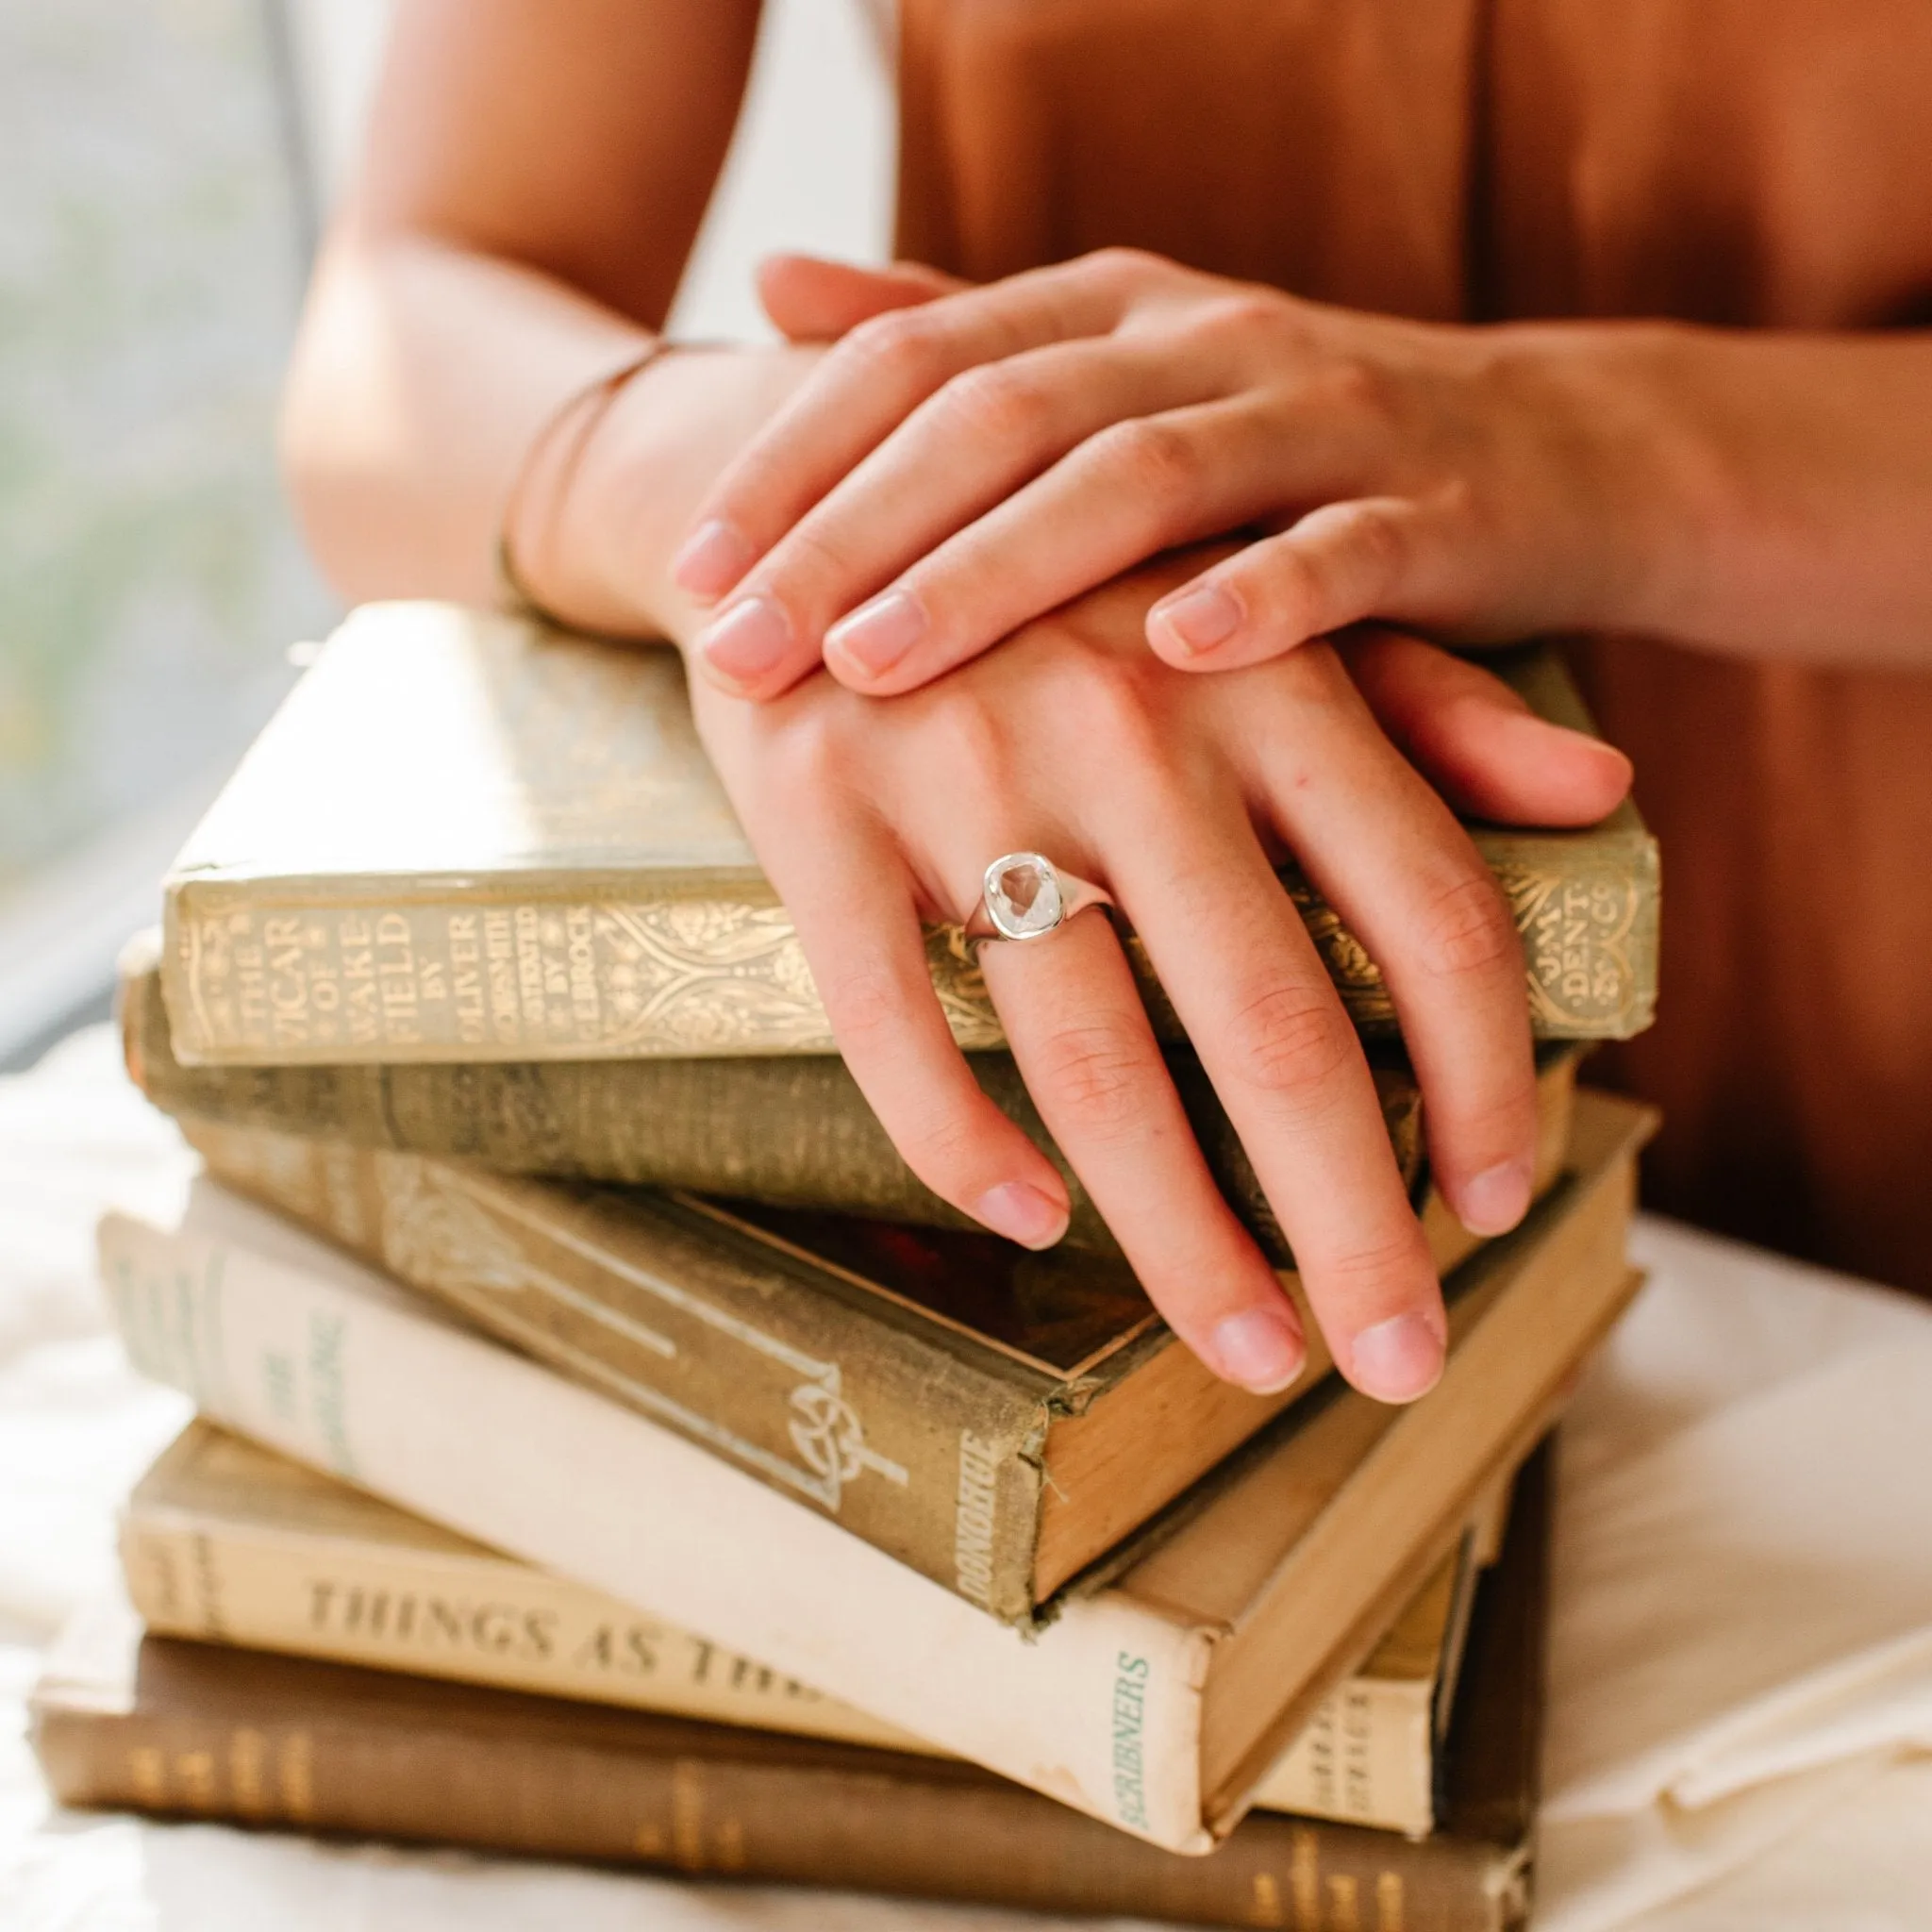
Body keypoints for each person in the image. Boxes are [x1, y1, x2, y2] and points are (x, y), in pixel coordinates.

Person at [280, 0, 1932, 1406]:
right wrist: (823, 518)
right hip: (1091, 1029)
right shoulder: (868, 548)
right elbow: (400, 331)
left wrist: (1575, 446)